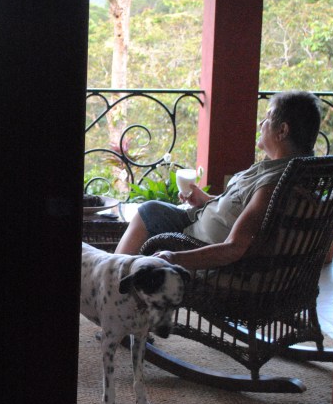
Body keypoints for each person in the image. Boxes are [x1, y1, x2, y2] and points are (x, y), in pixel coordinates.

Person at [114, 90, 322, 271]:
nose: (261, 124)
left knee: (149, 213)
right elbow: (243, 209)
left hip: (202, 245)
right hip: (200, 226)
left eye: (267, 118)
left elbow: (235, 247)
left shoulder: (274, 183)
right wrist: (205, 199)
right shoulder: (289, 171)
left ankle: (113, 278)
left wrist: (172, 257)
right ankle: (115, 272)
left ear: (282, 131)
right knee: (151, 210)